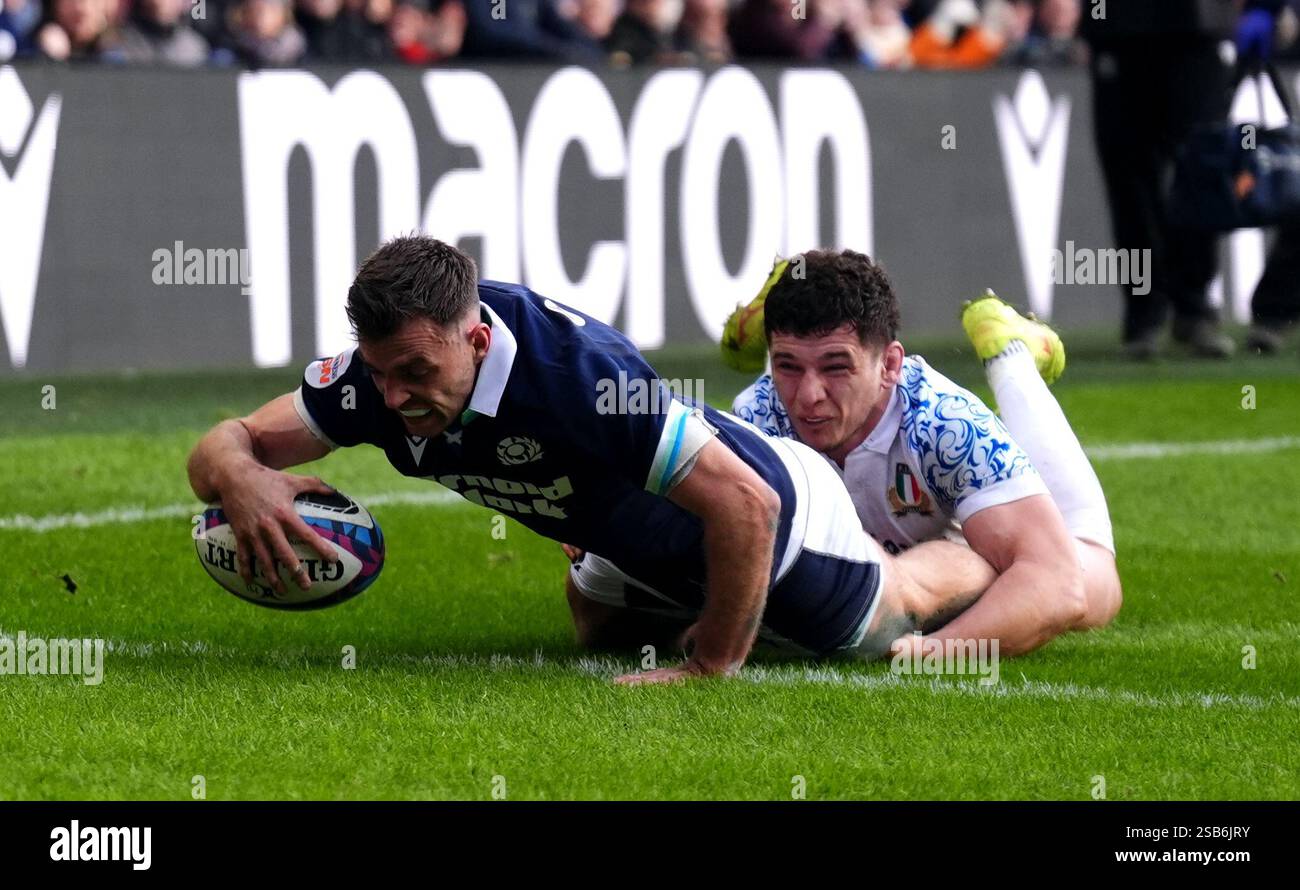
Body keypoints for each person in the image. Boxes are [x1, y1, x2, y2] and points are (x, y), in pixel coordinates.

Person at [187, 236, 1002, 684]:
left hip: (779, 514)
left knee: (881, 619)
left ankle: (962, 553)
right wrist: (244, 481)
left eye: (417, 375)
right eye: (379, 372)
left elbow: (747, 505)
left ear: (476, 342)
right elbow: (224, 443)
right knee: (597, 633)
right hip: (622, 528)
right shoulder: (381, 369)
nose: (393, 399)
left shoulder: (582, 380)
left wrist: (710, 667)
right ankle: (671, 583)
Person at [727, 250, 1119, 658]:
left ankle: (1011, 352)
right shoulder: (758, 416)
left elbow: (1058, 583)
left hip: (956, 546)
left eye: (836, 367)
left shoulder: (946, 423)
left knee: (1095, 586)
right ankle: (794, 288)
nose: (808, 397)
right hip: (891, 568)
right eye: (786, 366)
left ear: (890, 365)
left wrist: (935, 650)